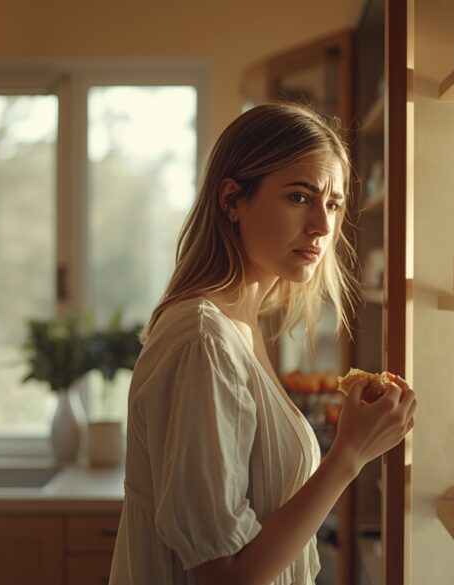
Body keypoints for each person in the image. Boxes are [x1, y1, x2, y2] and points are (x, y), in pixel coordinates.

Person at [108, 102, 417, 585]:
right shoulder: (203, 339)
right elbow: (225, 576)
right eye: (299, 197)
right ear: (232, 199)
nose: (322, 225)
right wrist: (350, 453)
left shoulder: (241, 329)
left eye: (333, 204)